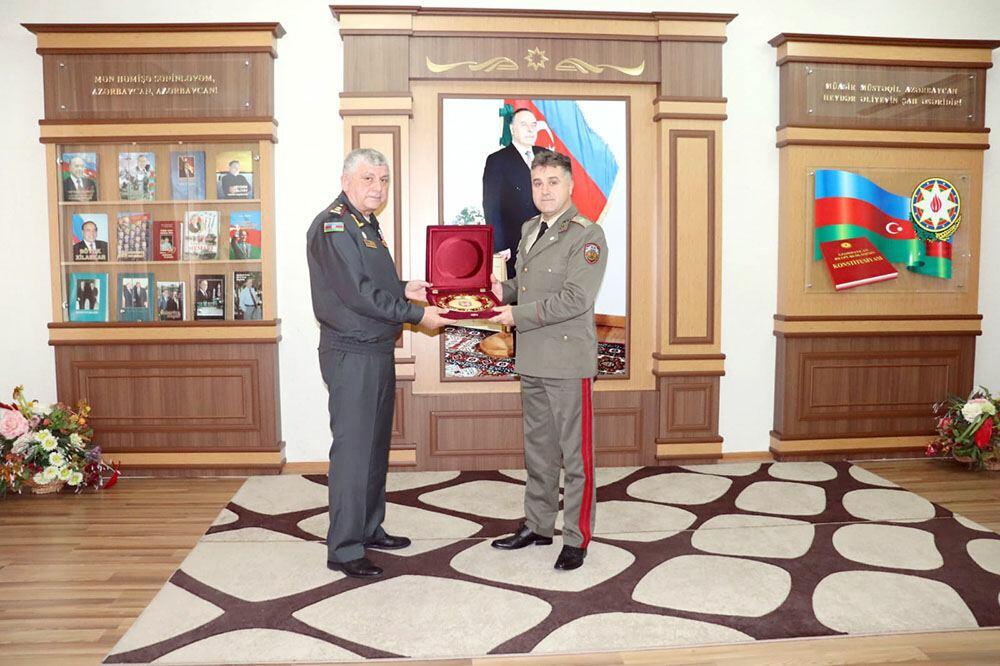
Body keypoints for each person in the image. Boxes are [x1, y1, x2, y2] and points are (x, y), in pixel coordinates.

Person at [307, 147, 450, 579]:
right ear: (346, 181)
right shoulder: (334, 226)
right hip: (352, 352)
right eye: (368, 178)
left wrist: (405, 288)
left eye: (384, 180)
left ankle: (368, 528)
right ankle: (345, 548)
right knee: (353, 452)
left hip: (374, 349)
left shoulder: (363, 223)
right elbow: (357, 293)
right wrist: (416, 315)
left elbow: (373, 283)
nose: (378, 187)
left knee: (373, 448)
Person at [487, 150, 608, 571]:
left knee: (576, 456)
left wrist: (515, 314)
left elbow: (575, 299)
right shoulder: (529, 229)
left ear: (570, 185)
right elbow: (524, 284)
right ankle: (538, 525)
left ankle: (576, 537)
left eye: (553, 182)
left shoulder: (587, 235)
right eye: (538, 183)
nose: (545, 190)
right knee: (538, 451)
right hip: (533, 359)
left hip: (567, 361)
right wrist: (497, 291)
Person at [483, 108, 541, 278]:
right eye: (524, 124)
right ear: (512, 129)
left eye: (533, 125)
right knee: (519, 290)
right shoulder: (497, 160)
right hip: (515, 243)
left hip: (548, 242)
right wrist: (500, 245)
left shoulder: (547, 156)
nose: (530, 129)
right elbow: (491, 205)